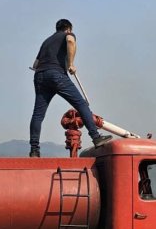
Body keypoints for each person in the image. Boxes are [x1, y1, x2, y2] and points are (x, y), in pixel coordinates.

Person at [28, 19, 112, 157]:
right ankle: (96, 137)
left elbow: (35, 64)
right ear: (68, 29)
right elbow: (71, 42)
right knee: (81, 104)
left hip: (40, 76)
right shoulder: (68, 35)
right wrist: (71, 64)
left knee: (38, 114)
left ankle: (34, 150)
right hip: (56, 75)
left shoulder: (46, 42)